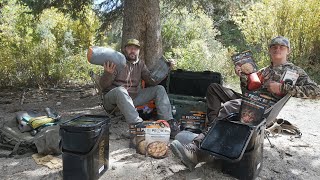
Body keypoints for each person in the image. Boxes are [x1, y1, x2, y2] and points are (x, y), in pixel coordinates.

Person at [170, 36, 320, 170]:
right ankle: (214, 133)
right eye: (274, 47)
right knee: (214, 89)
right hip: (250, 101)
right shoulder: (264, 71)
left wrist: (283, 87)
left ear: (288, 51)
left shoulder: (295, 71)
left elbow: (316, 91)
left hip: (265, 110)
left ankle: (198, 151)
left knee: (230, 106)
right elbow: (247, 91)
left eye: (282, 47)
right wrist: (242, 76)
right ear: (270, 51)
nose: (277, 49)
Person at [99, 38, 179, 139]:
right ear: (125, 49)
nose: (132, 51)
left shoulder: (140, 64)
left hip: (132, 99)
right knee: (121, 90)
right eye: (130, 48)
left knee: (159, 89)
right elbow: (103, 85)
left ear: (139, 51)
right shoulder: (117, 61)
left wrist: (166, 67)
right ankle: (137, 125)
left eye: (135, 48)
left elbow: (151, 81)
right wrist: (108, 73)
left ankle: (168, 123)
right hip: (112, 100)